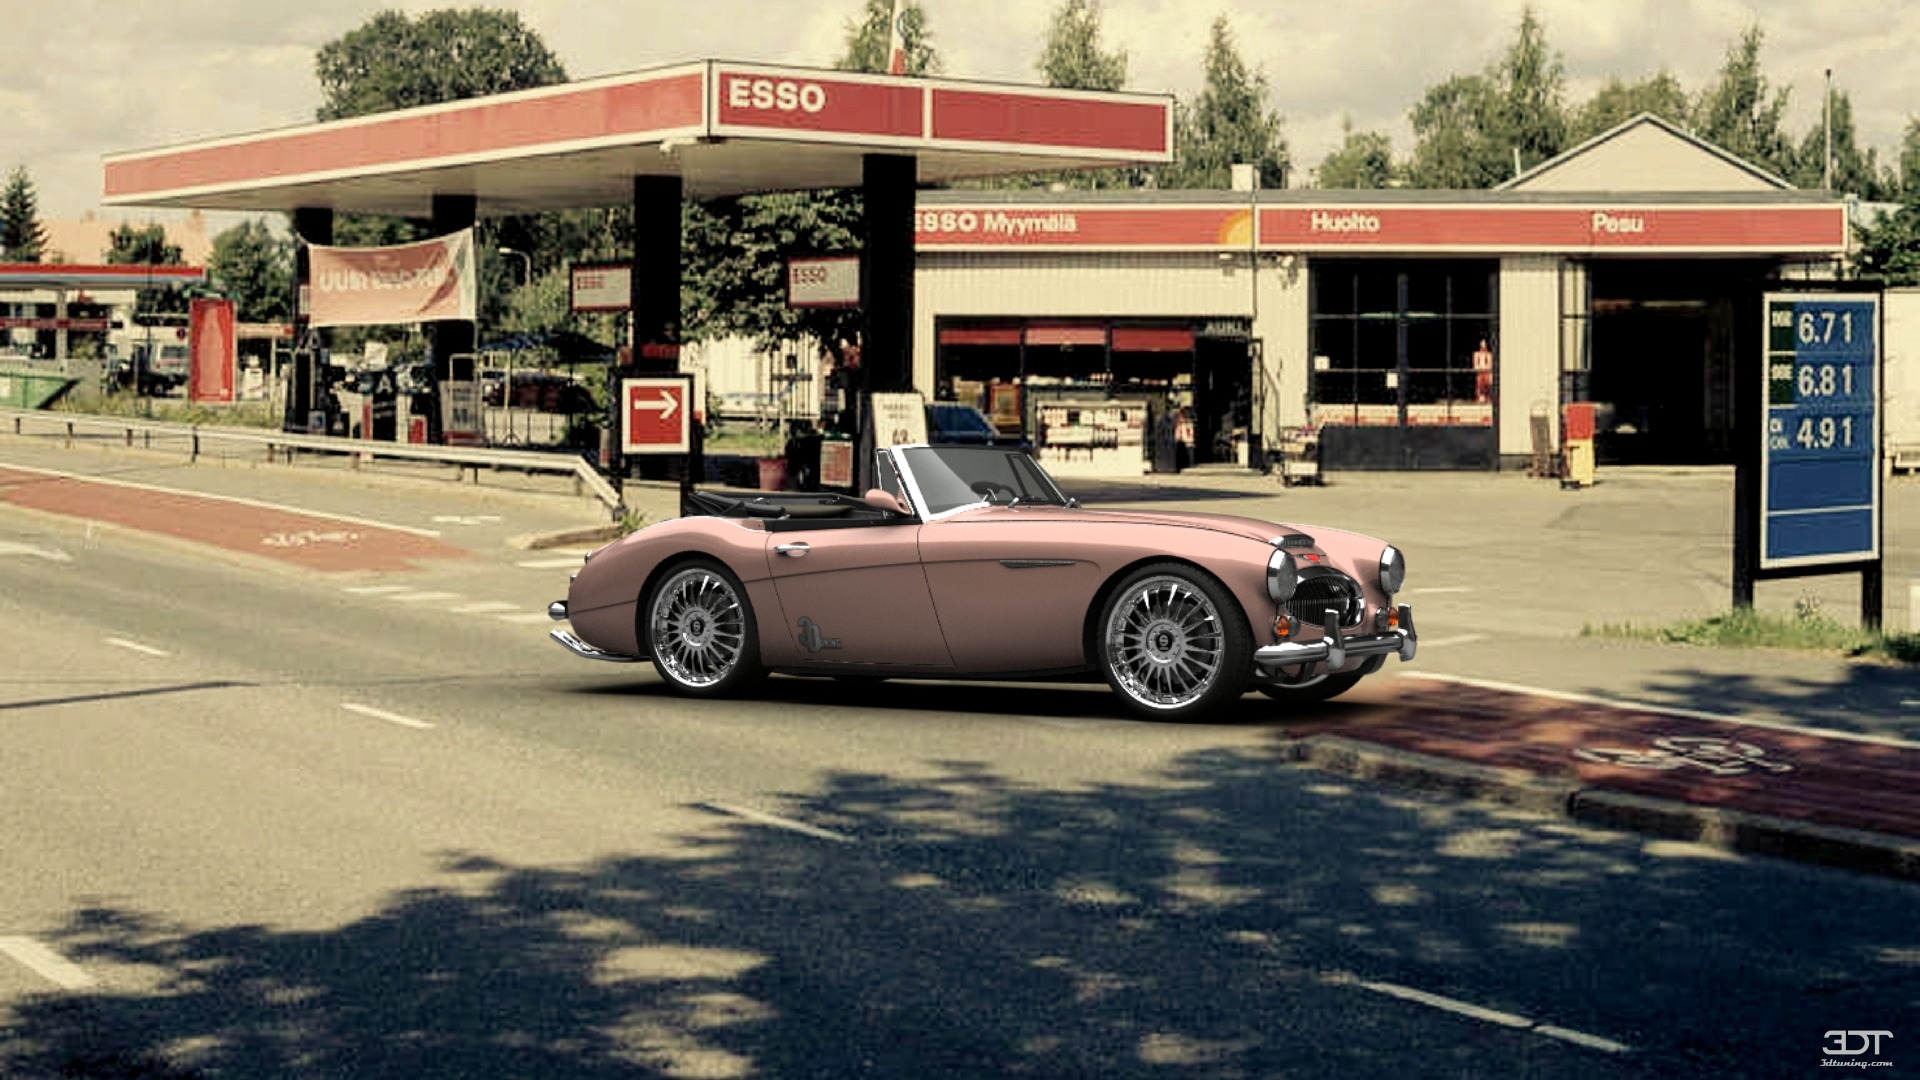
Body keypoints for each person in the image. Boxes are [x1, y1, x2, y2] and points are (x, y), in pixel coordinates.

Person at [1472, 338, 1494, 404]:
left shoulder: (1489, 355)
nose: (1483, 348)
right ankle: (1480, 397)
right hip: (1480, 372)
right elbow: (1475, 365)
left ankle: (1488, 397)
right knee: (1480, 383)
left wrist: (1486, 369)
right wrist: (1481, 368)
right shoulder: (1477, 354)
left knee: (1489, 381)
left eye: (1484, 346)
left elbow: (1490, 364)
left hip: (1487, 372)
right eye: (1482, 346)